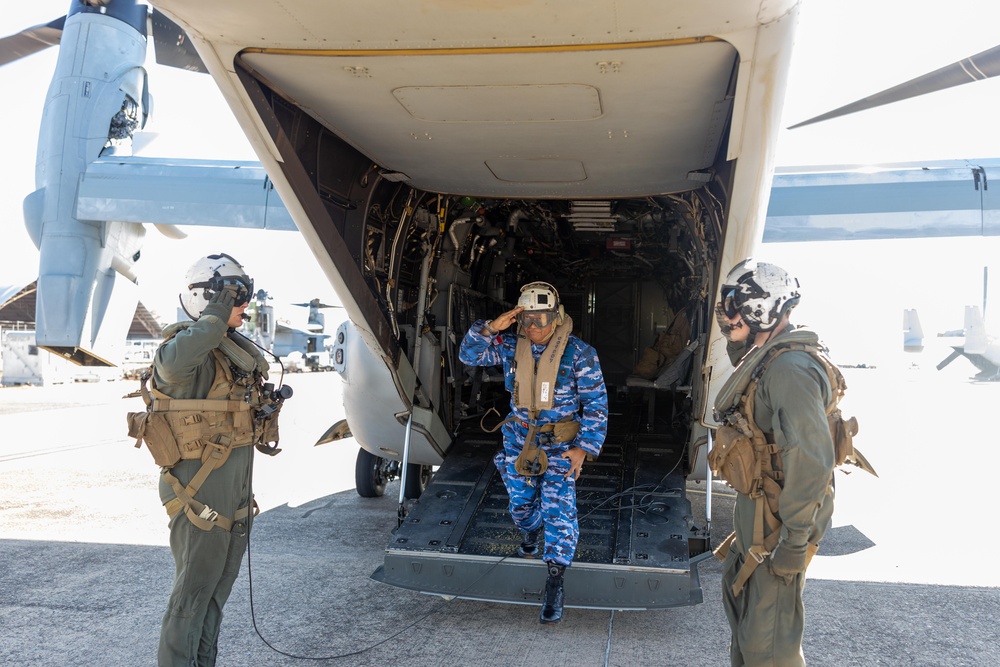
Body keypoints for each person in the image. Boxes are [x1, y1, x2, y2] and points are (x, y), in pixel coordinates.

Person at [129, 253, 284, 666]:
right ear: (207, 298)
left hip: (231, 499)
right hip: (198, 498)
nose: (244, 305)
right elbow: (172, 364)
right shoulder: (182, 355)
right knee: (190, 598)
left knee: (214, 596)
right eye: (235, 296)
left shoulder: (231, 355)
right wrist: (215, 314)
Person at [711, 258, 837, 667]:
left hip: (781, 519)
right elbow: (745, 377)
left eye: (733, 303)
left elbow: (812, 459)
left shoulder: (790, 369)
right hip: (762, 507)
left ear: (758, 307)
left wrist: (795, 542)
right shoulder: (767, 357)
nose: (724, 312)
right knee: (746, 619)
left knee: (768, 644)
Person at [459, 281, 608, 624]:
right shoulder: (512, 345)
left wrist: (583, 450)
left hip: (560, 445)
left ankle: (555, 580)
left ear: (556, 318)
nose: (534, 327)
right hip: (519, 439)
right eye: (527, 319)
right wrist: (491, 328)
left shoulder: (580, 354)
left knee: (559, 510)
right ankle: (530, 526)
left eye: (541, 319)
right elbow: (469, 355)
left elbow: (597, 406)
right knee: (521, 505)